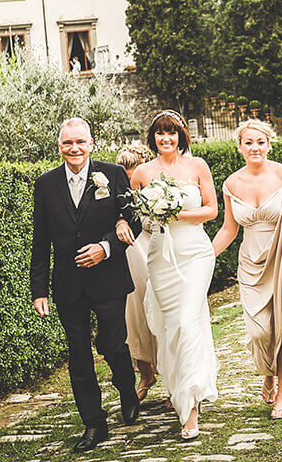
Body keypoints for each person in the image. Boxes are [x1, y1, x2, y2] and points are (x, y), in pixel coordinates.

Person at [30, 117, 143, 453]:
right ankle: (94, 424)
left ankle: (126, 387)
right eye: (68, 143)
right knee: (78, 356)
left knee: (112, 345)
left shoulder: (113, 174)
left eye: (80, 142)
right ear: (60, 146)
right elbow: (41, 240)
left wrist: (106, 247)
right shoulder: (45, 184)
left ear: (91, 143)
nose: (74, 149)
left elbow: (133, 221)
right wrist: (39, 290)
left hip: (108, 279)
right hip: (68, 285)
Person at [117, 110, 218, 439]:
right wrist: (147, 217)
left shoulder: (197, 166)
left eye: (171, 133)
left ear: (181, 135)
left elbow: (211, 210)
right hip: (160, 257)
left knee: (188, 322)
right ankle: (183, 388)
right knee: (171, 329)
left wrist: (177, 213)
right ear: (153, 138)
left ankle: (188, 409)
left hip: (195, 254)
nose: (166, 139)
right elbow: (133, 218)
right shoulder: (142, 173)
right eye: (160, 133)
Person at [211, 118, 282, 419]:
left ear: (269, 144)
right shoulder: (231, 183)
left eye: (260, 142)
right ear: (240, 147)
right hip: (251, 262)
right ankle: (268, 373)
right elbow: (229, 230)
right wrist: (205, 257)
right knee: (259, 333)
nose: (255, 147)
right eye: (249, 142)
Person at [114, 143, 159, 401]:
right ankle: (145, 373)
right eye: (124, 168)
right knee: (134, 317)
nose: (128, 173)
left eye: (133, 167)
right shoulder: (116, 192)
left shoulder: (155, 191)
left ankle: (170, 376)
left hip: (151, 255)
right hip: (128, 258)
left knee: (156, 312)